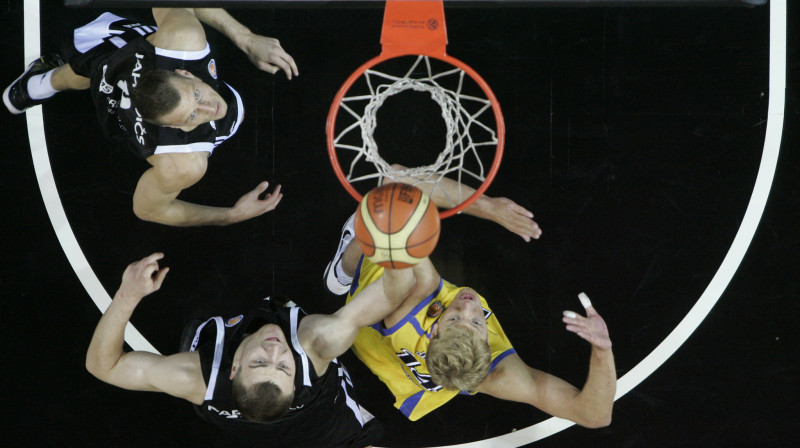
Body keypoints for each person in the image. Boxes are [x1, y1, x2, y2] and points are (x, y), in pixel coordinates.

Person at [323, 178, 616, 425]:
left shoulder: (417, 299)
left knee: (381, 218)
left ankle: (342, 271)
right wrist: (603, 350)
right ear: (487, 350)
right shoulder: (490, 375)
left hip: (375, 304)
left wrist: (487, 207)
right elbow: (595, 416)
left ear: (434, 330)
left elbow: (396, 184)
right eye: (477, 322)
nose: (467, 305)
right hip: (392, 364)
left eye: (453, 318)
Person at [85, 251, 420, 447]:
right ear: (297, 381)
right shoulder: (319, 341)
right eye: (284, 366)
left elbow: (104, 367)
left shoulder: (197, 379)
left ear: (233, 369)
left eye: (260, 361)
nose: (275, 351)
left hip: (259, 426)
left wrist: (128, 295)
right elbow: (393, 292)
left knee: (197, 334)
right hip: (328, 426)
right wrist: (397, 237)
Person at [4, 8, 297, 226]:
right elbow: (148, 209)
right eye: (193, 114)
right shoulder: (182, 163)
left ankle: (37, 85)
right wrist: (231, 215)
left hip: (113, 69)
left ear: (183, 71)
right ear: (172, 126)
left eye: (197, 94)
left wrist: (247, 39)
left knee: (93, 67)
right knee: (95, 69)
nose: (211, 108)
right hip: (118, 110)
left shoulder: (182, 38)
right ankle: (40, 83)